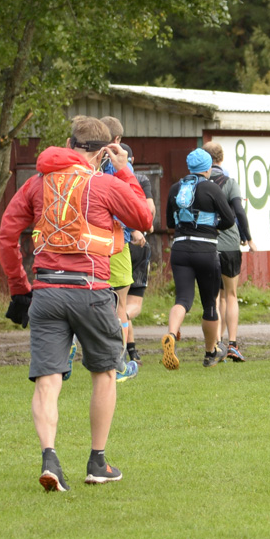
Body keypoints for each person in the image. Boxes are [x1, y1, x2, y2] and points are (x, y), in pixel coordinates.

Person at [0, 115, 154, 491]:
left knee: (47, 379)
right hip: (92, 291)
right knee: (105, 373)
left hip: (46, 293)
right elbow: (144, 218)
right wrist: (124, 170)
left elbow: (7, 233)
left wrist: (20, 288)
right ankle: (97, 462)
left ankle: (49, 457)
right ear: (104, 152)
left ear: (69, 145)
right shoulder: (104, 183)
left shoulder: (37, 182)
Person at [160, 148, 236, 370]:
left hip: (180, 249)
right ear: (208, 167)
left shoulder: (176, 188)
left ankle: (171, 334)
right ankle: (210, 353)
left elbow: (170, 223)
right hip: (205, 250)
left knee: (183, 299)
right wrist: (212, 225)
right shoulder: (212, 188)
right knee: (210, 304)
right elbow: (229, 219)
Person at [99, 117, 155, 380]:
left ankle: (71, 341)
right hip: (115, 241)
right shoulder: (119, 166)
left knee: (86, 299)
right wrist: (134, 228)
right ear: (118, 140)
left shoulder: (85, 162)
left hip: (85, 244)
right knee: (120, 305)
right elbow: (132, 205)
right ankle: (119, 364)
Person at [204, 141, 252, 362]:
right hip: (230, 244)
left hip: (207, 244)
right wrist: (248, 238)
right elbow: (239, 212)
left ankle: (216, 344)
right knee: (230, 295)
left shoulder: (199, 184)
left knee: (214, 297)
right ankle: (232, 344)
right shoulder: (230, 183)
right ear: (221, 159)